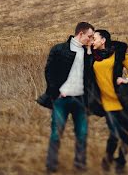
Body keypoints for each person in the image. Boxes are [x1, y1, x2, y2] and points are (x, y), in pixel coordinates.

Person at [37, 21, 95, 172]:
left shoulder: (88, 53)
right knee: (56, 133)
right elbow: (49, 72)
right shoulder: (59, 49)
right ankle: (51, 166)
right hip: (62, 99)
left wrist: (89, 52)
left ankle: (80, 166)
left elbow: (90, 76)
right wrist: (56, 91)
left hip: (81, 100)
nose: (91, 40)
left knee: (82, 134)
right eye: (89, 37)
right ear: (80, 34)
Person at [90, 29, 128, 173]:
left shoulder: (117, 55)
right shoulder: (92, 57)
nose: (92, 41)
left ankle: (121, 161)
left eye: (94, 38)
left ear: (103, 40)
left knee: (124, 134)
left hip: (123, 101)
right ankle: (107, 160)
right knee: (114, 134)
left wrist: (127, 79)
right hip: (106, 103)